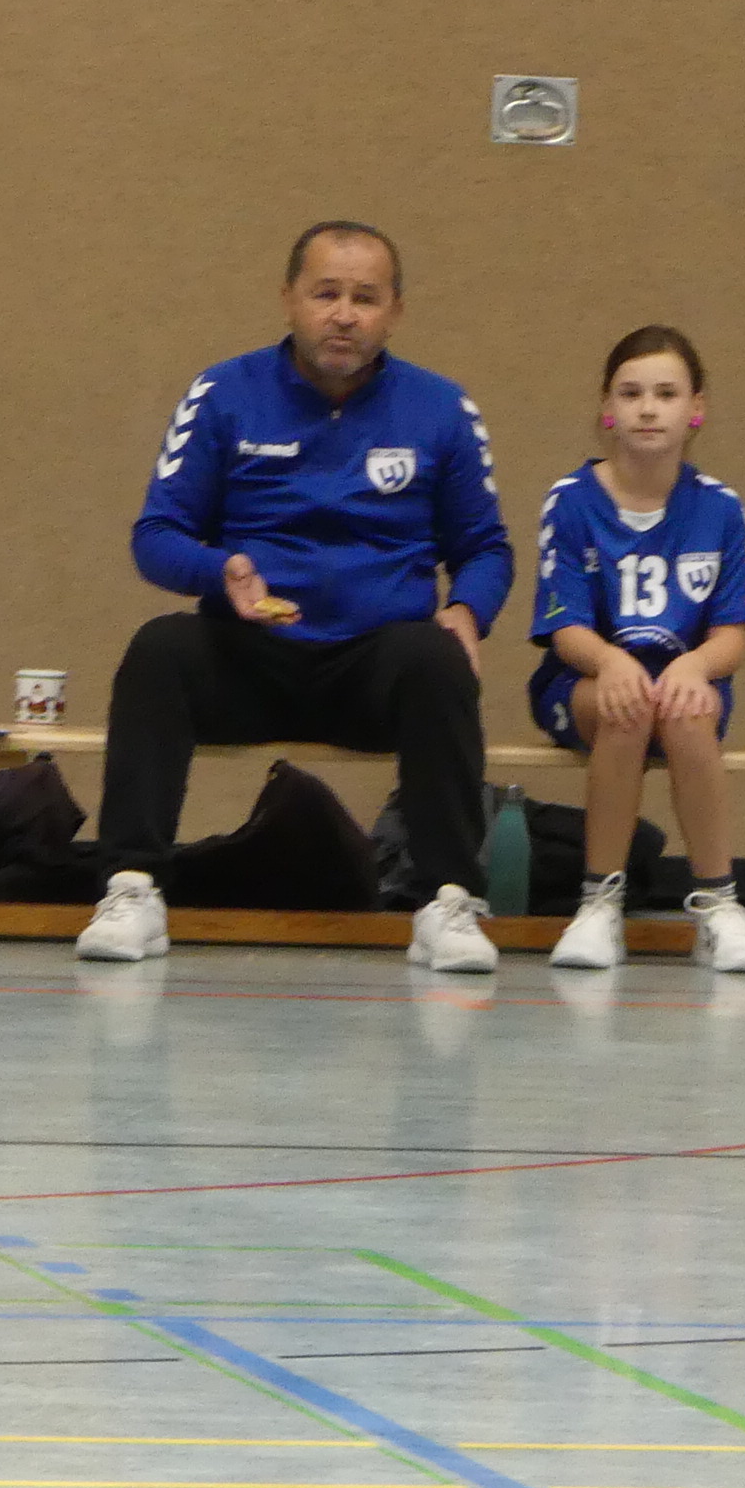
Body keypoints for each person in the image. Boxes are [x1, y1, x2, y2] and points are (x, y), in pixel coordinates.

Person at [78, 221, 514, 973]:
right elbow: (157, 534)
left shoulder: (442, 409)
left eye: (365, 298)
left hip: (374, 670)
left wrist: (466, 611)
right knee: (160, 650)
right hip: (250, 658)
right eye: (325, 294)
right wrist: (221, 570)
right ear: (288, 299)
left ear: (395, 312)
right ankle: (133, 888)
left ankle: (448, 900)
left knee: (438, 659)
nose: (343, 315)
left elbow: (485, 548)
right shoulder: (223, 393)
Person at [530, 326, 745, 973]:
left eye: (666, 394)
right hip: (585, 681)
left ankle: (719, 905)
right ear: (608, 408)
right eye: (631, 393)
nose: (647, 408)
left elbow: (731, 638)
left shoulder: (720, 508)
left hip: (685, 682)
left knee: (686, 712)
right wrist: (611, 662)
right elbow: (565, 628)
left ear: (696, 409)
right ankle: (599, 904)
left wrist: (694, 665)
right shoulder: (572, 501)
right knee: (627, 707)